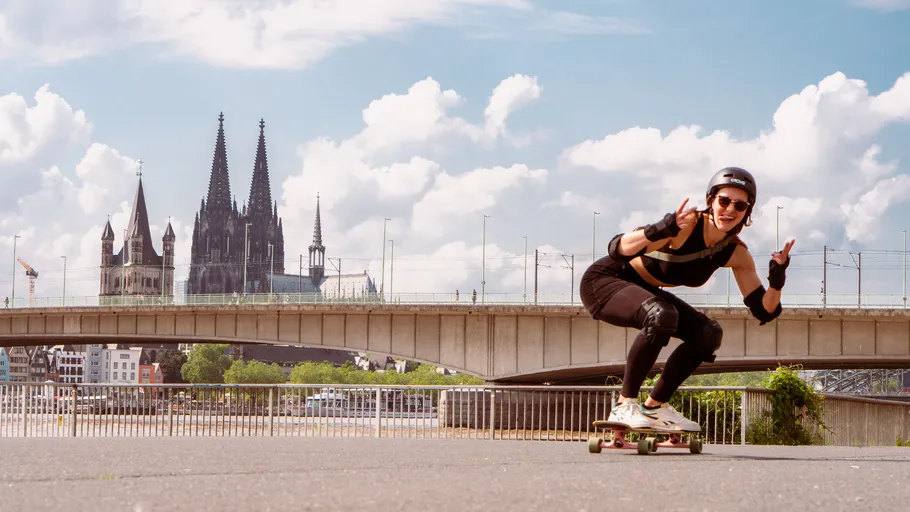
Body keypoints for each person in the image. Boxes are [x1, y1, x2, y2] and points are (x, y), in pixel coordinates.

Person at [580, 167, 795, 432]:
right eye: (724, 201)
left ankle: (655, 407)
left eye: (739, 205)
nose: (730, 210)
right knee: (661, 314)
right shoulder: (686, 225)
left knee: (708, 333)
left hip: (647, 289)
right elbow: (618, 249)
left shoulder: (735, 253)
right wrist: (659, 229)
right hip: (606, 281)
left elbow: (765, 310)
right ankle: (625, 405)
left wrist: (777, 280)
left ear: (747, 212)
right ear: (711, 201)